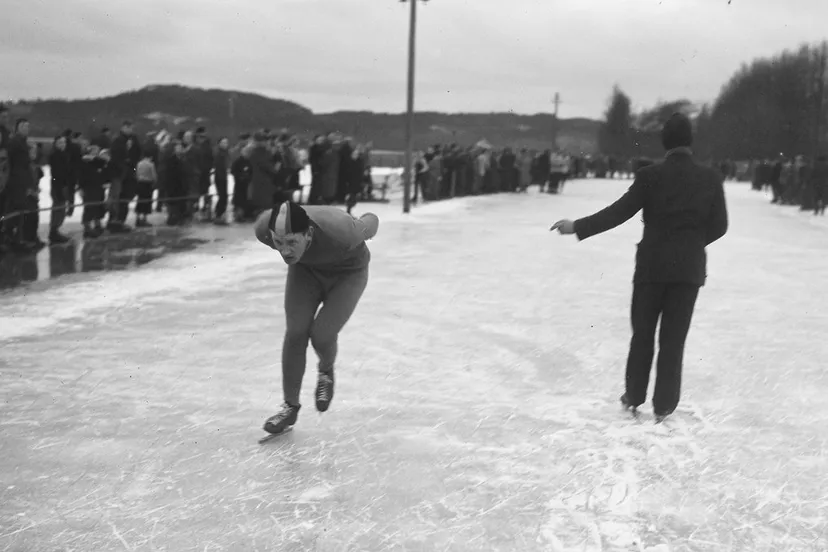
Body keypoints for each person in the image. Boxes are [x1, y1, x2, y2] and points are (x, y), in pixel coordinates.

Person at [550, 113, 729, 424]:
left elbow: (618, 213)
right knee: (674, 340)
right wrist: (691, 244)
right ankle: (664, 405)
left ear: (664, 141)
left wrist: (576, 226)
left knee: (643, 335)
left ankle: (634, 396)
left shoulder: (650, 176)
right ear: (690, 140)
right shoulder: (710, 178)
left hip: (651, 268)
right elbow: (720, 226)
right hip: (688, 271)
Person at [253, 201, 379, 435]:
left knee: (322, 335)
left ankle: (326, 371)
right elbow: (274, 231)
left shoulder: (342, 231)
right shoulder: (264, 229)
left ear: (309, 234)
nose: (285, 251)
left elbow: (372, 222)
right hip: (306, 272)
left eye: (292, 242)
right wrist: (288, 244)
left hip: (348, 274)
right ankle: (289, 407)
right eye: (279, 243)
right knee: (296, 331)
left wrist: (362, 221)